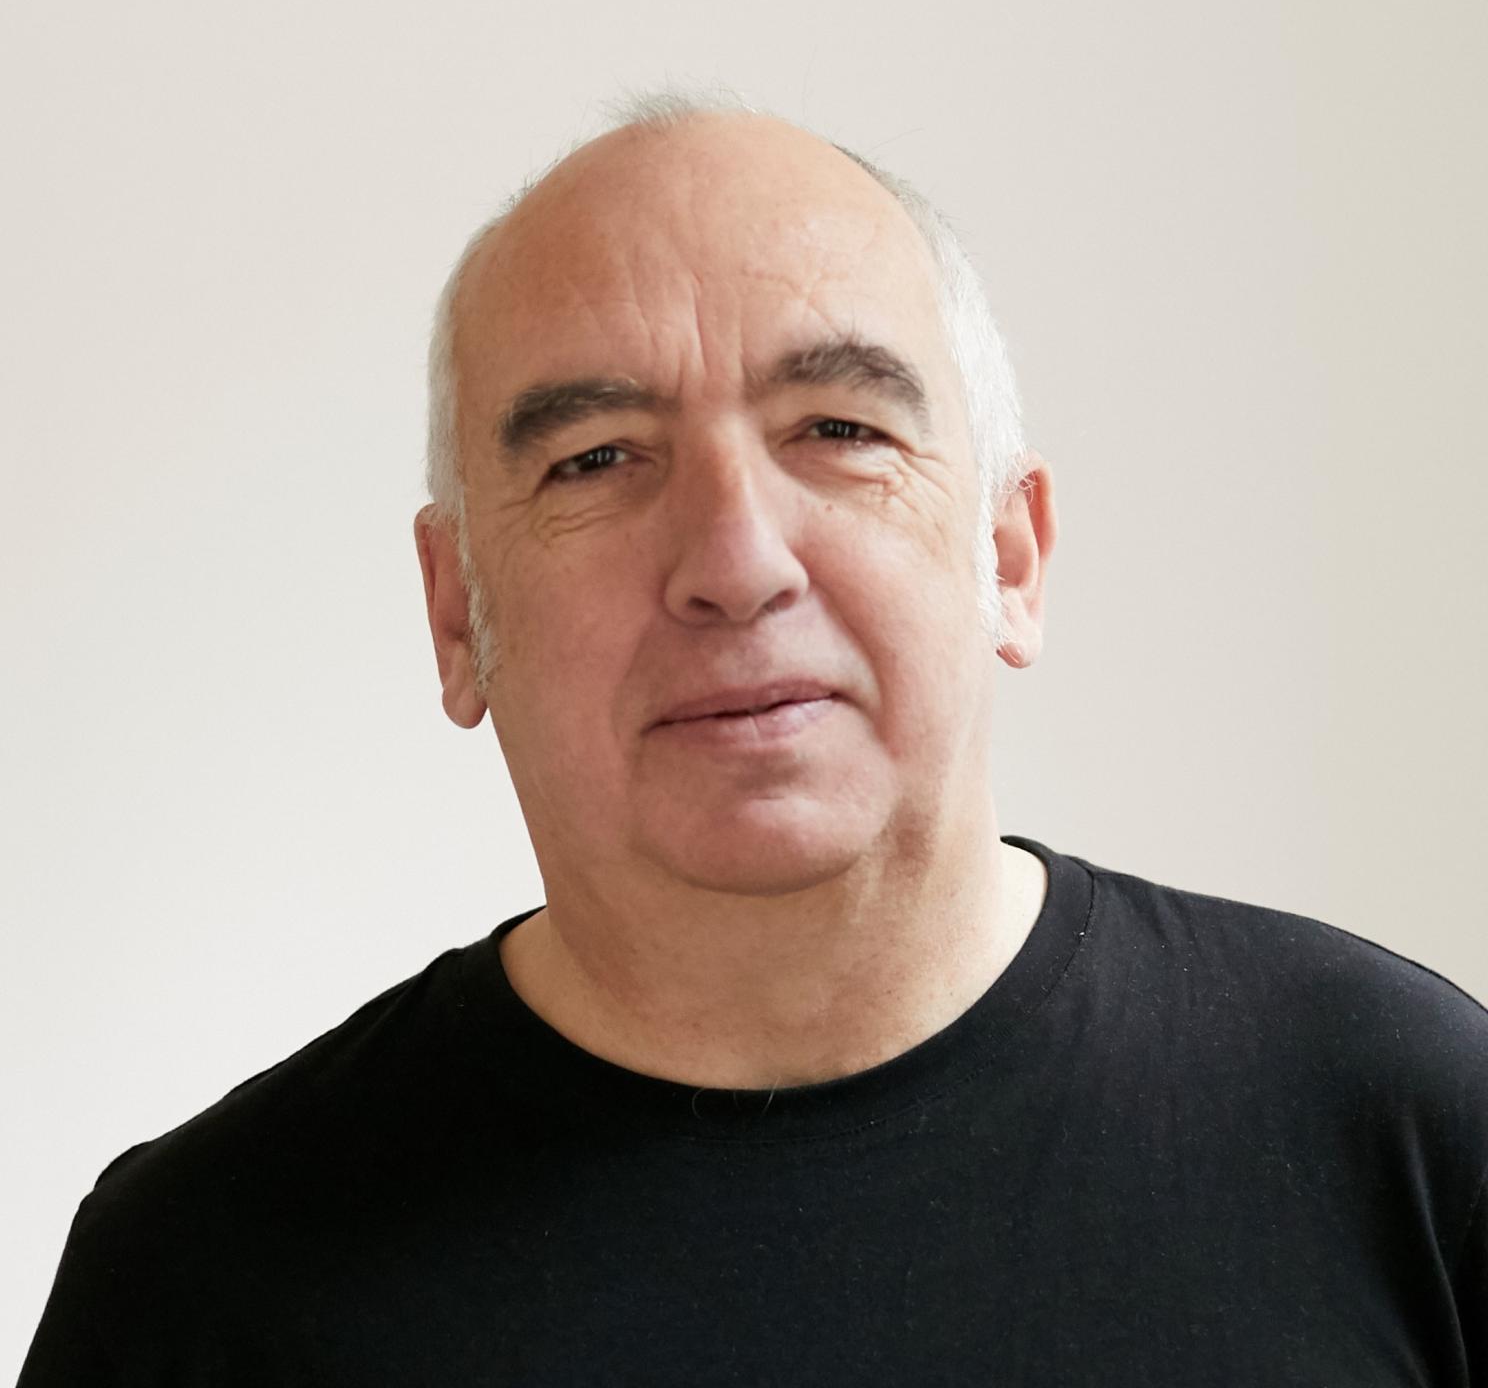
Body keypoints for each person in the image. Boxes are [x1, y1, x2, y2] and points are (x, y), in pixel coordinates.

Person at [20, 90, 1487, 1384]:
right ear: (459, 615)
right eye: (598, 459)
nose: (735, 561)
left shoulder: (1407, 1130)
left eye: (839, 431)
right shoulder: (203, 1288)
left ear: (1009, 556)